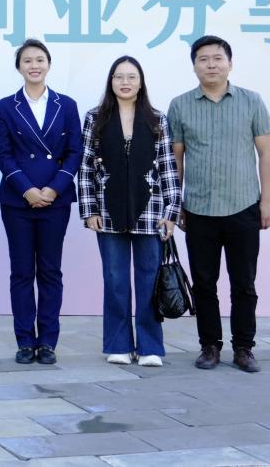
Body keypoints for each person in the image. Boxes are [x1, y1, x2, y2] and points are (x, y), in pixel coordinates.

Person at [168, 35, 270, 374]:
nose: (211, 64)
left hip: (244, 205)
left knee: (244, 283)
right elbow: (176, 160)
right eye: (203, 59)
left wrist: (268, 200)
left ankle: (244, 348)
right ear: (194, 66)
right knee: (204, 283)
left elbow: (266, 154)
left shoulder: (252, 101)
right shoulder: (180, 105)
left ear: (230, 63)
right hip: (198, 209)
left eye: (217, 58)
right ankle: (210, 346)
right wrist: (176, 204)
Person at [77, 56, 182, 368]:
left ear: (141, 82)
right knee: (115, 280)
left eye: (131, 77)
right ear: (111, 81)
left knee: (149, 281)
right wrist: (89, 210)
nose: (125, 82)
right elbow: (85, 167)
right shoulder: (95, 118)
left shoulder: (157, 119)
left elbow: (168, 167)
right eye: (119, 76)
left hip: (151, 213)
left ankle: (150, 346)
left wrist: (171, 212)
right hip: (107, 212)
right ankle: (119, 345)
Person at [0, 38, 82, 365]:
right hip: (17, 201)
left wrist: (54, 188)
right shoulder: (6, 106)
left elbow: (75, 152)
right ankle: (24, 341)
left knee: (50, 271)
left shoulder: (66, 105)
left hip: (55, 200)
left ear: (49, 64)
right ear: (19, 67)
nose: (34, 65)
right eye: (27, 60)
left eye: (40, 59)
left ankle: (47, 342)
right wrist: (27, 190)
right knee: (21, 272)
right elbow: (3, 155)